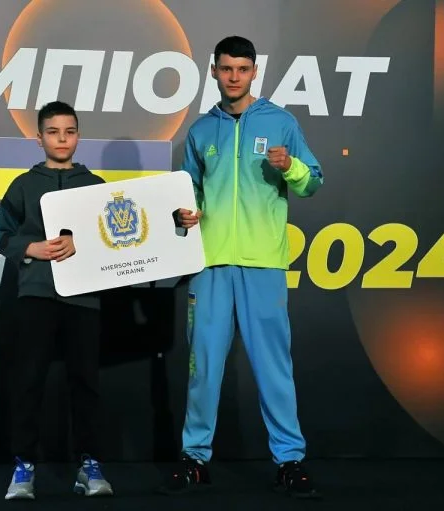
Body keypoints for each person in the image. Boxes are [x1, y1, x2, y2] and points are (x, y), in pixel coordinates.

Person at [162, 35, 323, 499]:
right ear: (213, 70)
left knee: (273, 367)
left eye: (243, 69)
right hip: (210, 263)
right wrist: (185, 212)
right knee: (203, 366)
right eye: (226, 68)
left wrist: (290, 166)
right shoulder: (200, 131)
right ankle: (195, 460)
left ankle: (289, 461)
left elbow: (313, 181)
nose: (234, 77)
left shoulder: (281, 123)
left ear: (255, 72)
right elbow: (188, 191)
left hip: (263, 263)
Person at [0, 100, 113, 500]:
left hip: (84, 296)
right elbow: (1, 235)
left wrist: (83, 241)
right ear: (39, 138)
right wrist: (31, 248)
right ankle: (24, 466)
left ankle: (89, 464)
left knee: (86, 383)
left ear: (78, 136)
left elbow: (114, 236)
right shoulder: (23, 185)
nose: (62, 139)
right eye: (54, 132)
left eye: (70, 132)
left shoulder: (95, 184)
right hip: (36, 294)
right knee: (28, 382)